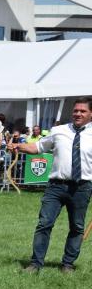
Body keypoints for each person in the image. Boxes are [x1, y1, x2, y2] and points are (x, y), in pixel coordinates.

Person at [8, 97, 92, 274]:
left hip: (82, 188)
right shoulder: (58, 131)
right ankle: (35, 264)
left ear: (91, 114)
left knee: (77, 227)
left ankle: (68, 264)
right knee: (44, 224)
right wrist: (18, 146)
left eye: (82, 111)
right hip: (56, 186)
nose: (78, 113)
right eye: (76, 110)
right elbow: (37, 147)